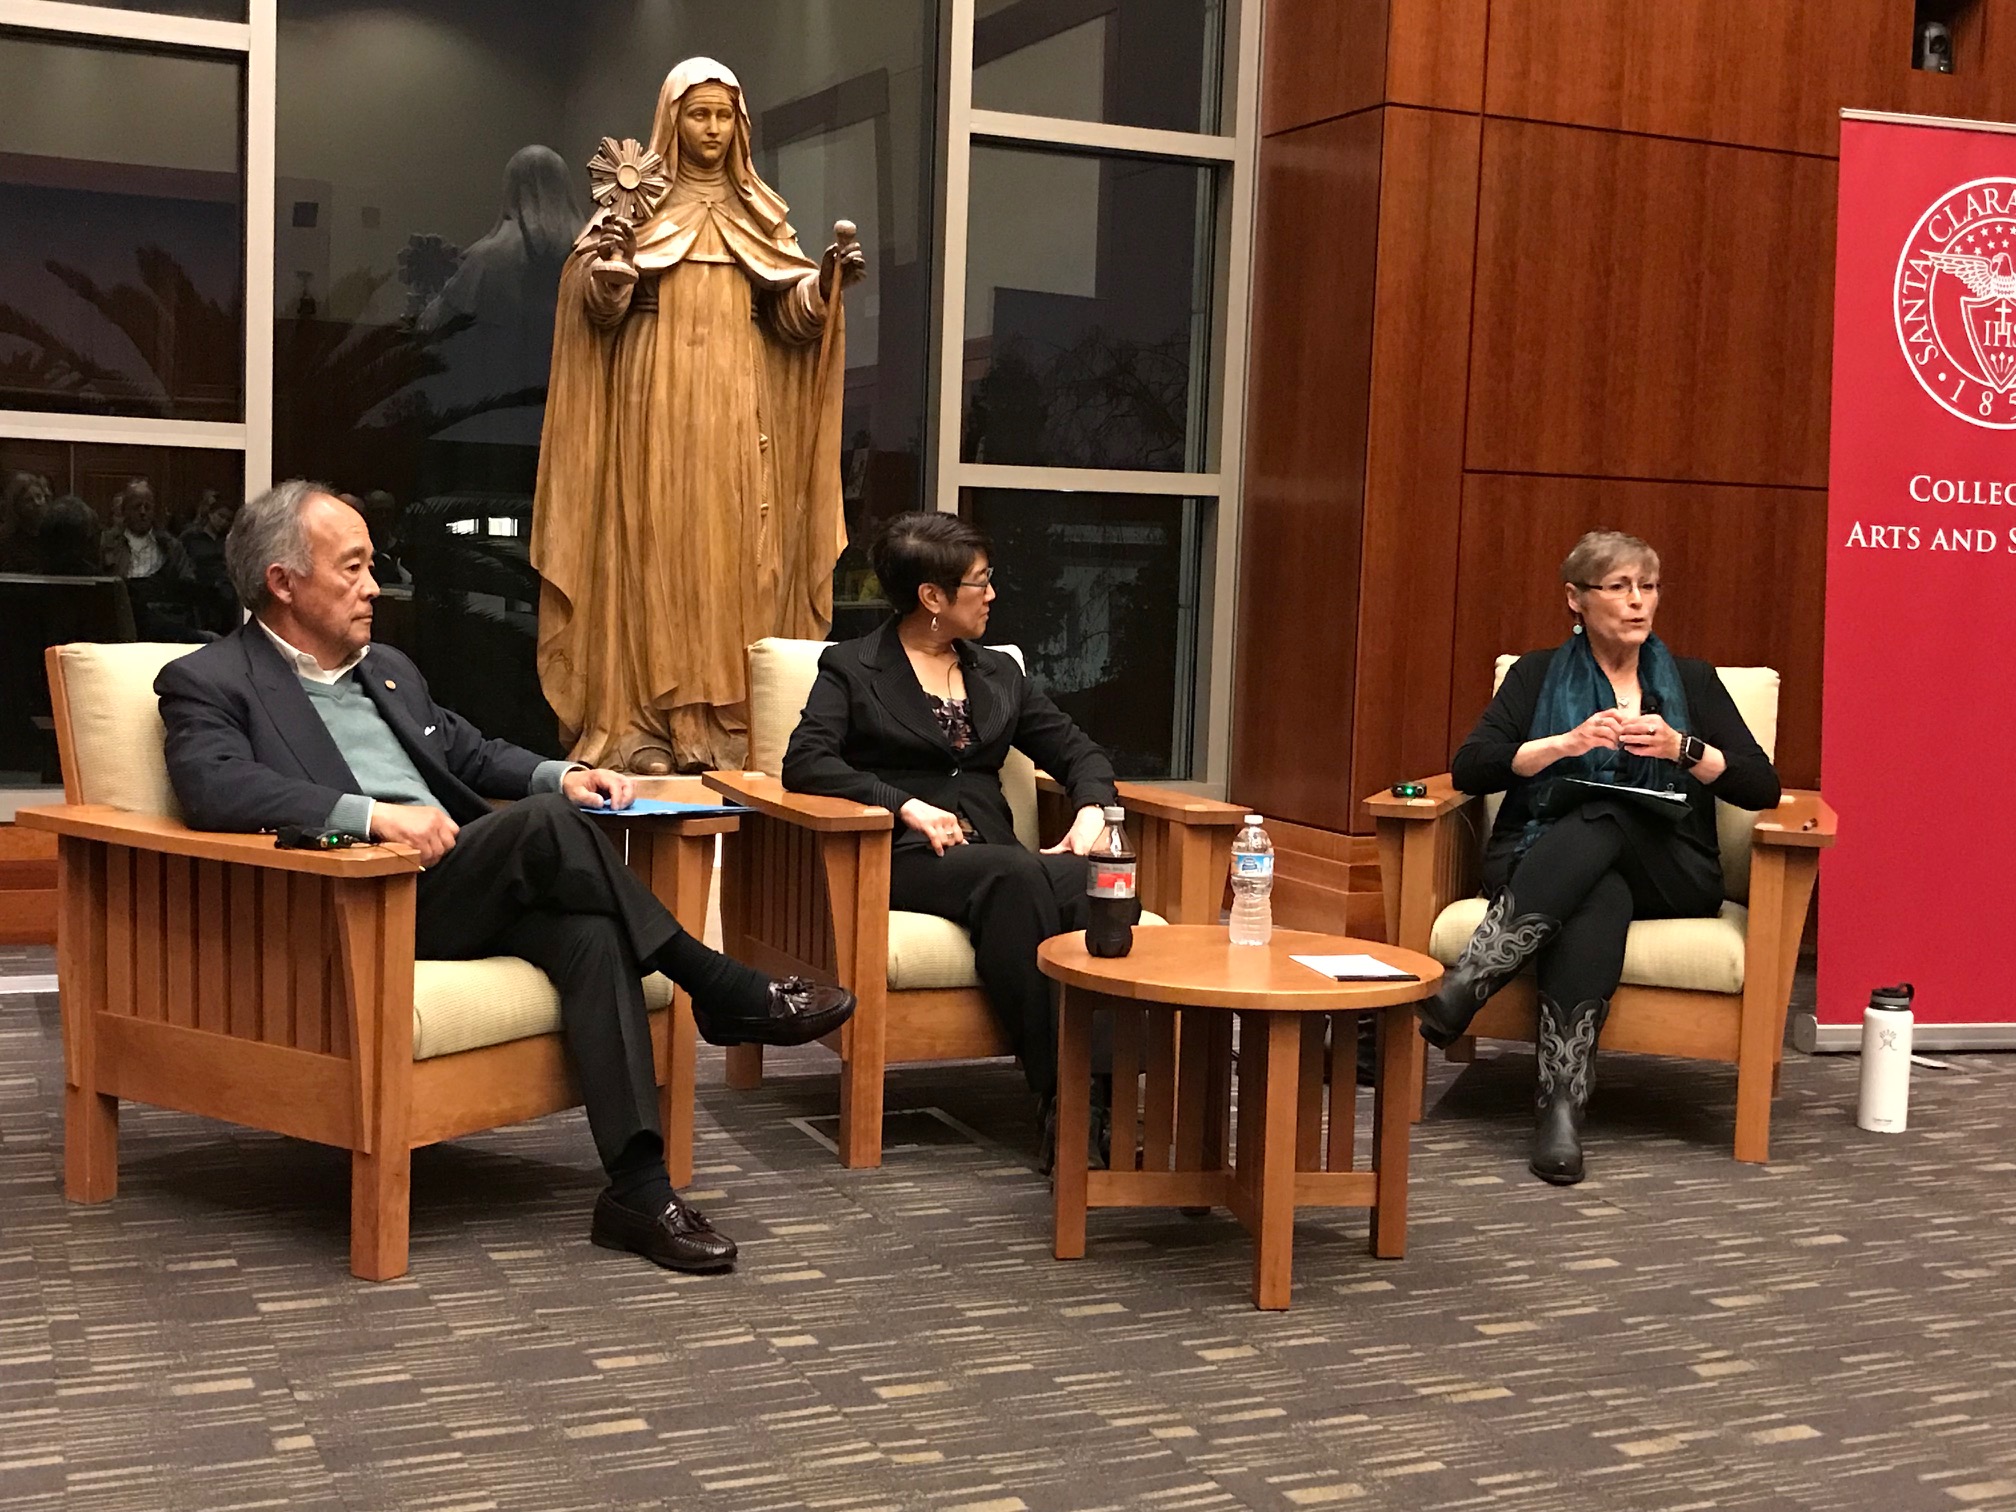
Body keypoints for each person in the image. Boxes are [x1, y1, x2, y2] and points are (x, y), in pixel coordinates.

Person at [154, 481, 857, 1272]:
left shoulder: (383, 667)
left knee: (592, 931)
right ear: (283, 582)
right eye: (351, 568)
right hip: (360, 897)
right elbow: (215, 788)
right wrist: (366, 813)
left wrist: (563, 773)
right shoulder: (210, 680)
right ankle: (720, 986)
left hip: (456, 885)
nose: (374, 585)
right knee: (551, 833)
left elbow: (468, 750)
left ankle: (638, 1187)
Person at [532, 57, 865, 775]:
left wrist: (826, 285)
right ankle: (644, 725)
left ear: (739, 126)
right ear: (671, 121)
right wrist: (612, 285)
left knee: (743, 559)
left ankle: (731, 723)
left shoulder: (761, 215)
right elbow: (593, 301)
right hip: (656, 401)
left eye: (723, 116)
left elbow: (794, 320)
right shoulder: (635, 212)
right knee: (658, 550)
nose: (711, 130)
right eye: (698, 114)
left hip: (742, 412)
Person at [1417, 530, 1780, 1185]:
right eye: (1618, 587)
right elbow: (1471, 767)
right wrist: (1561, 744)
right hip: (1542, 853)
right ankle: (1560, 1108)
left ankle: (1470, 980)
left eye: (1648, 586)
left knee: (1607, 810)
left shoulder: (1694, 682)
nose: (1638, 602)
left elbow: (1761, 786)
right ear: (1576, 599)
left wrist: (1681, 749)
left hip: (1672, 868)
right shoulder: (1534, 675)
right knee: (1599, 888)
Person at [782, 512, 1122, 1168]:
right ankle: (1064, 1096)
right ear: (932, 597)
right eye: (980, 583)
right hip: (901, 855)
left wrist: (1094, 812)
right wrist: (902, 804)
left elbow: (1079, 751)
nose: (992, 595)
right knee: (1015, 878)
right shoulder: (852, 667)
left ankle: (1090, 1099)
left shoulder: (998, 673)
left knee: (1094, 879)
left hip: (990, 852)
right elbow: (807, 760)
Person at [0, 470, 52, 572]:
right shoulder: (6, 542)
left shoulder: (54, 534)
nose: (37, 503)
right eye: (29, 500)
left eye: (39, 496)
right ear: (16, 507)